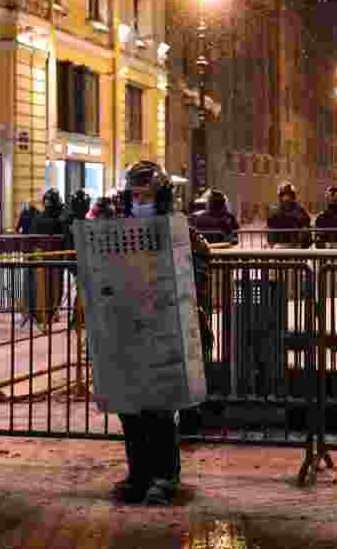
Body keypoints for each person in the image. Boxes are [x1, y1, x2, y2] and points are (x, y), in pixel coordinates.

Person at [109, 160, 212, 505]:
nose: (140, 201)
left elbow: (197, 273)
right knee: (131, 407)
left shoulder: (183, 231)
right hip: (130, 330)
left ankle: (165, 476)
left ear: (162, 196)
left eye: (146, 195)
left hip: (166, 328)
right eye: (135, 195)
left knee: (160, 407)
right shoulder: (118, 232)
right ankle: (137, 473)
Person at [267, 182, 313, 248]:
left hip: (297, 245)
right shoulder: (274, 211)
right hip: (279, 245)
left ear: (293, 196)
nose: (286, 198)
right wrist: (273, 244)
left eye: (288, 195)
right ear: (280, 196)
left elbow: (306, 226)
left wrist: (303, 238)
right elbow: (270, 229)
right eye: (284, 195)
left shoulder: (300, 210)